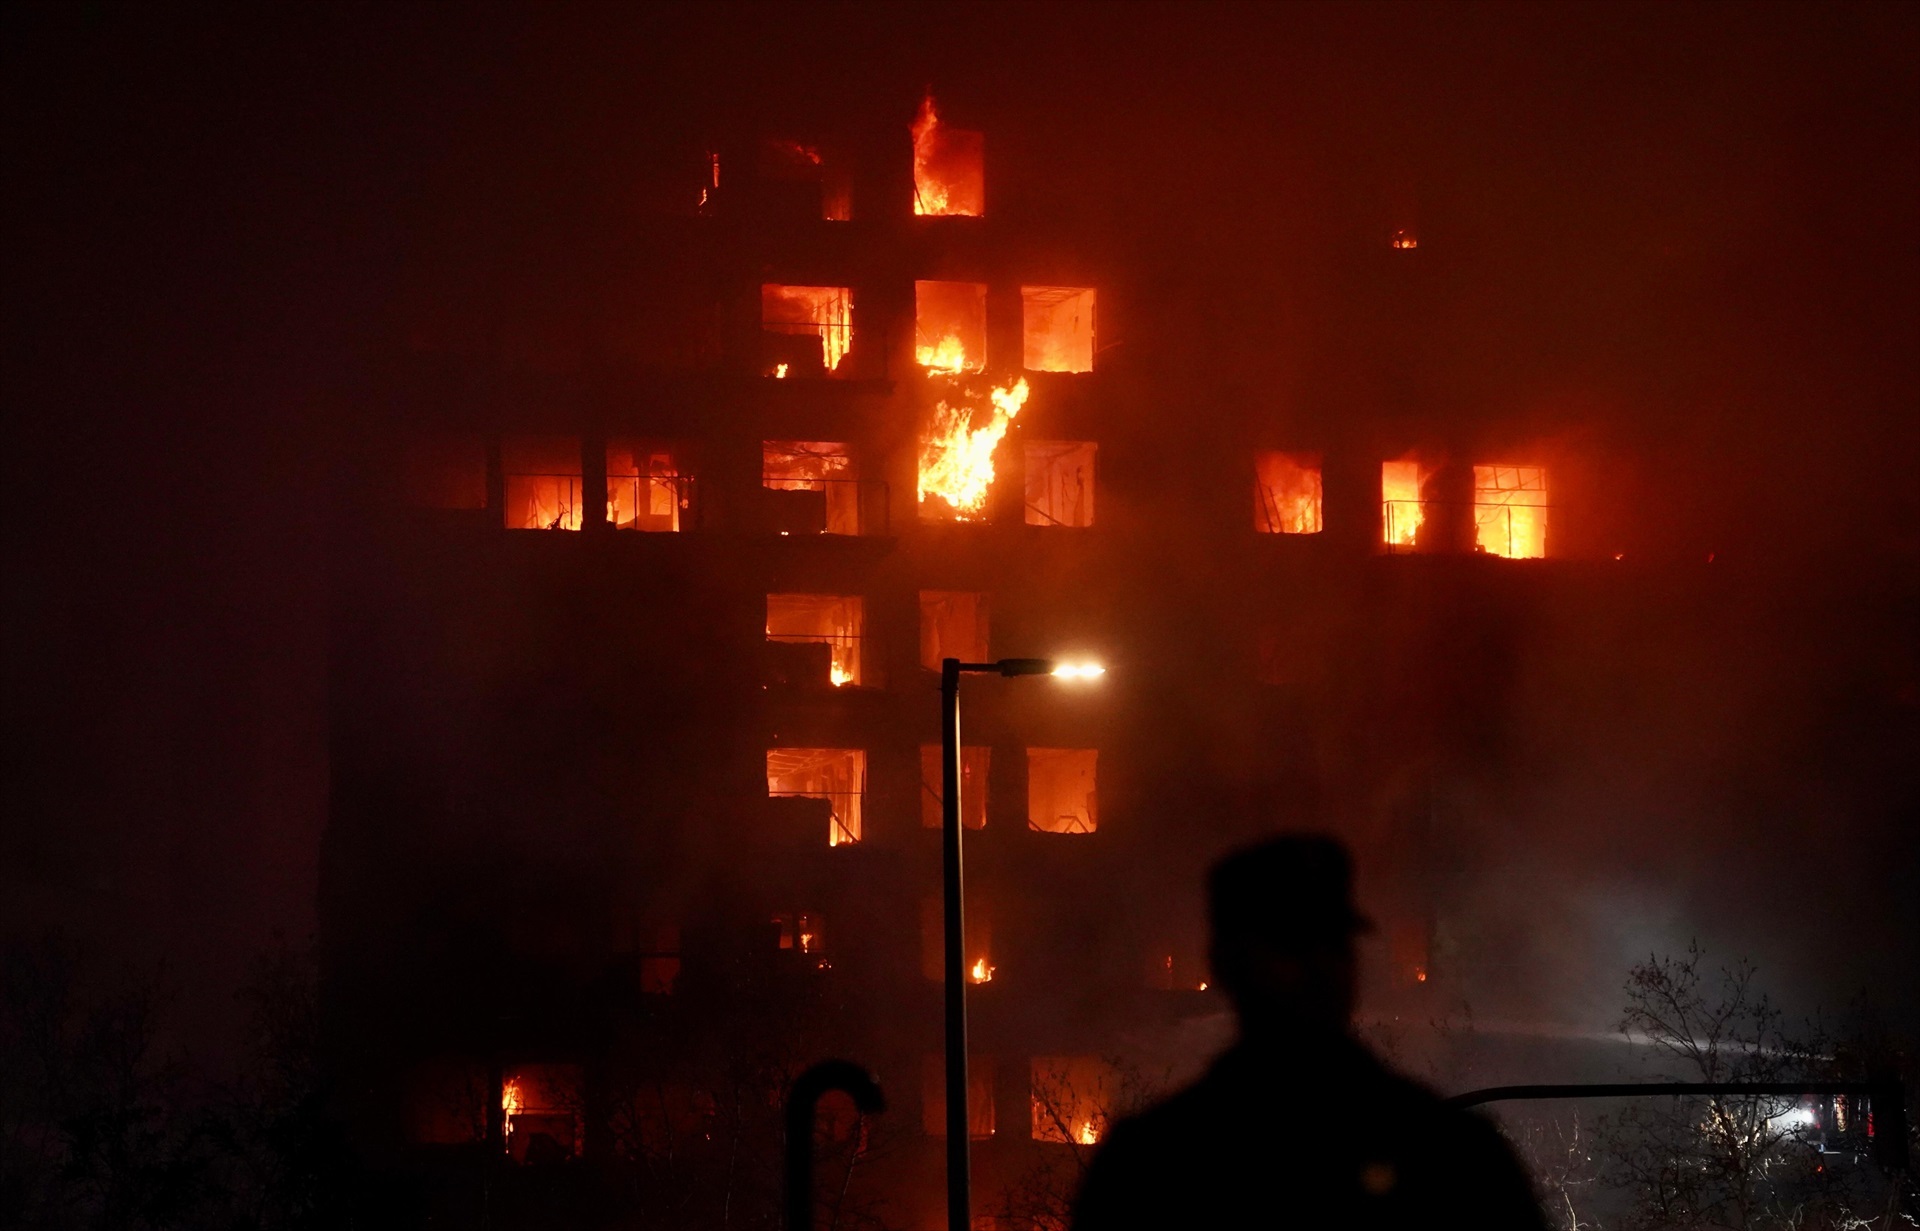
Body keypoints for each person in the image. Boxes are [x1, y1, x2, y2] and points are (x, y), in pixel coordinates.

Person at [1071, 835, 1545, 1230]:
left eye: (1334, 943)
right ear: (1229, 964)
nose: (1321, 966)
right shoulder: (1451, 1152)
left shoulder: (1154, 1162)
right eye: (1293, 944)